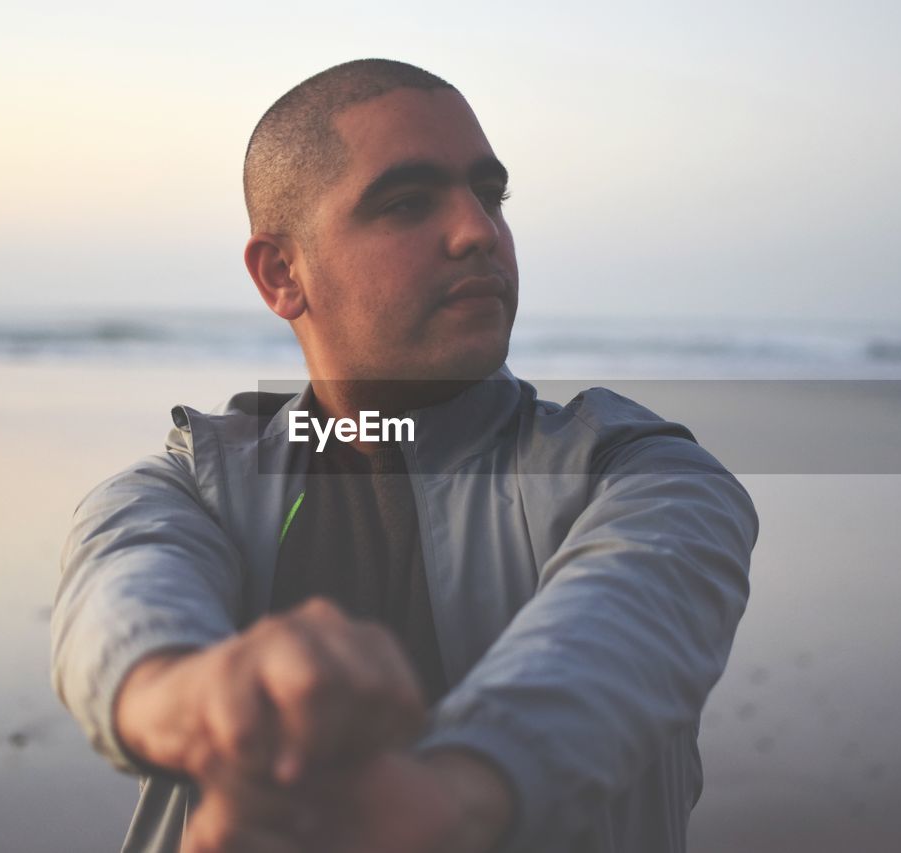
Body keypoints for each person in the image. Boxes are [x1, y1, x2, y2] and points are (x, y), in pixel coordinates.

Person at [51, 58, 758, 853]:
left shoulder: (636, 473)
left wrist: (451, 793)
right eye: (407, 203)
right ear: (282, 273)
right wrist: (193, 699)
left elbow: (626, 626)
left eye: (489, 196)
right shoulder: (196, 485)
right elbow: (120, 589)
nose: (479, 231)